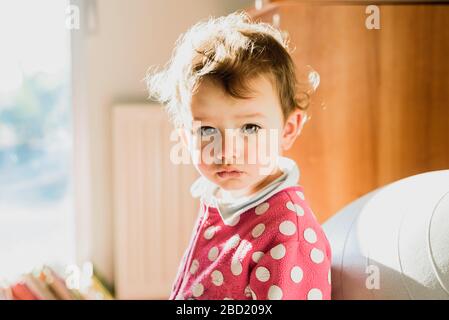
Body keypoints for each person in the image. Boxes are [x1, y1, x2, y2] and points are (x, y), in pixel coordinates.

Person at [146, 12, 331, 300]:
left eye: (250, 127)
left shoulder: (288, 233)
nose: (226, 151)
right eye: (206, 130)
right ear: (185, 137)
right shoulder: (223, 197)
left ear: (287, 129)